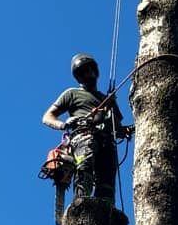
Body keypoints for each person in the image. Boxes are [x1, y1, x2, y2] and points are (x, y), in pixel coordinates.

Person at [40, 53, 130, 214]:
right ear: (78, 77)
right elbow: (47, 117)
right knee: (85, 166)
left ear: (95, 71)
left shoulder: (106, 99)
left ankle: (105, 211)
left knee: (107, 178)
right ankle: (81, 204)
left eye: (90, 70)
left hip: (106, 141)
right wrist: (64, 124)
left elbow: (118, 128)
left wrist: (127, 129)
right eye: (83, 72)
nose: (88, 74)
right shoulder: (72, 93)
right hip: (84, 135)